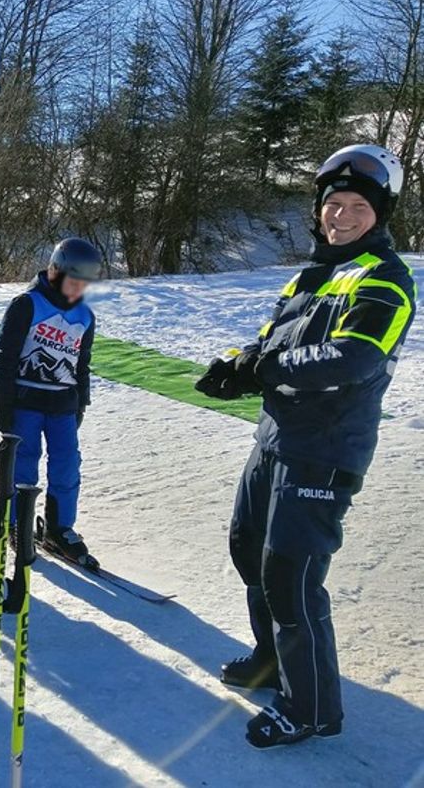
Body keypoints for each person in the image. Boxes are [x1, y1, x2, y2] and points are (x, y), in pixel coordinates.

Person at [195, 144, 417, 749]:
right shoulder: (311, 275)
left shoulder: (387, 280)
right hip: (276, 436)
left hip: (325, 448)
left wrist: (265, 368)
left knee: (291, 575)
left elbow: (355, 356)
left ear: (381, 215)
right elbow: (273, 340)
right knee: (249, 551)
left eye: (357, 209)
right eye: (333, 204)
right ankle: (272, 661)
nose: (341, 217)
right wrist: (239, 364)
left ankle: (312, 708)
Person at [0, 238, 100, 566]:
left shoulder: (85, 316)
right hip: (26, 401)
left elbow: (82, 362)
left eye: (83, 284)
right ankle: (16, 523)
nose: (76, 289)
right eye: (72, 281)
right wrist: (3, 403)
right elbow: (5, 357)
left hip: (63, 405)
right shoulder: (27, 304)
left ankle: (59, 527)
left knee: (67, 465)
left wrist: (82, 401)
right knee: (24, 463)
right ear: (55, 271)